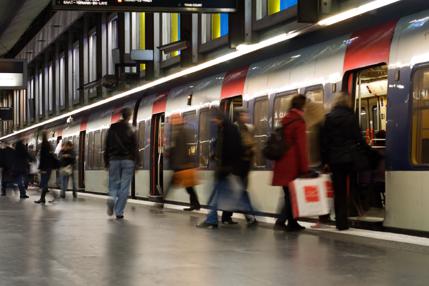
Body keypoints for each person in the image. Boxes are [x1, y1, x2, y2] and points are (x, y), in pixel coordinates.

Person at [320, 92, 363, 230]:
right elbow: (358, 138)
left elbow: (324, 143)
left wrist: (325, 161)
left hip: (335, 160)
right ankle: (353, 212)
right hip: (349, 159)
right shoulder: (351, 117)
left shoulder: (328, 118)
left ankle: (341, 222)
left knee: (339, 191)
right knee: (351, 187)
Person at [197, 109, 246, 229]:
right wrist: (214, 156)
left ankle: (212, 220)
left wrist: (226, 165)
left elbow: (233, 149)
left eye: (215, 119)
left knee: (217, 197)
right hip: (225, 169)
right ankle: (213, 219)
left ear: (220, 118)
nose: (213, 121)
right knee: (220, 196)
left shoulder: (229, 130)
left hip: (226, 170)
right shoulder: (223, 129)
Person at [272, 94, 308, 232]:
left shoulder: (285, 120)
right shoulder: (299, 122)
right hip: (293, 165)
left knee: (289, 194)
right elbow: (301, 147)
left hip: (282, 164)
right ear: (302, 106)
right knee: (291, 196)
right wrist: (304, 169)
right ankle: (281, 221)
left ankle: (292, 223)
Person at [221, 108, 257, 226]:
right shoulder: (235, 129)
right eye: (243, 115)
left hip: (246, 164)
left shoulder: (247, 128)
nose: (246, 116)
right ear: (238, 116)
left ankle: (226, 216)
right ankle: (249, 216)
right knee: (241, 191)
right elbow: (236, 147)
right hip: (237, 165)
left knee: (237, 191)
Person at [104, 108, 139, 219]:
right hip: (128, 160)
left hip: (114, 160)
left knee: (113, 184)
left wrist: (106, 161)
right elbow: (135, 147)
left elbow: (107, 146)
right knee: (124, 187)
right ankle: (119, 212)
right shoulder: (131, 129)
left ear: (121, 115)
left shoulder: (112, 128)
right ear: (129, 116)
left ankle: (112, 198)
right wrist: (137, 162)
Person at [165, 114, 200, 211]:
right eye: (172, 119)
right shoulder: (175, 132)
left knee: (186, 186)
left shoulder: (184, 131)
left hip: (183, 164)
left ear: (180, 119)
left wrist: (191, 161)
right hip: (178, 164)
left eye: (175, 119)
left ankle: (161, 200)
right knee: (188, 187)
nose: (173, 121)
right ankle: (195, 204)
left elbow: (190, 147)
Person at [35, 132, 57, 204]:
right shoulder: (49, 145)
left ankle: (54, 195)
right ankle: (42, 198)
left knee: (44, 183)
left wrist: (41, 168)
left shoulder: (44, 146)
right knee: (45, 183)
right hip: (48, 167)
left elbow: (43, 159)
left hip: (45, 168)